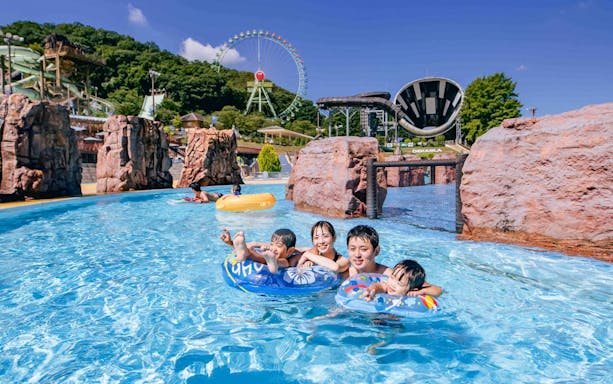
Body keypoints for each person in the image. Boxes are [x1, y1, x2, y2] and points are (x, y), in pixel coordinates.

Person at [220, 228, 303, 273]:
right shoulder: (270, 251)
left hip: (282, 263)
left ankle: (272, 263)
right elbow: (242, 248)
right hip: (269, 260)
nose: (273, 248)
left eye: (278, 245)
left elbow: (307, 250)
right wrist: (231, 243)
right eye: (272, 244)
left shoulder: (293, 255)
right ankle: (245, 252)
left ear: (290, 251)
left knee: (283, 262)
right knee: (259, 255)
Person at [363, 259, 443, 301]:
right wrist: (371, 290)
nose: (393, 284)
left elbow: (439, 291)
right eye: (392, 277)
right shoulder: (388, 286)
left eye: (400, 283)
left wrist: (421, 292)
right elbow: (379, 286)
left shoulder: (411, 293)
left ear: (411, 289)